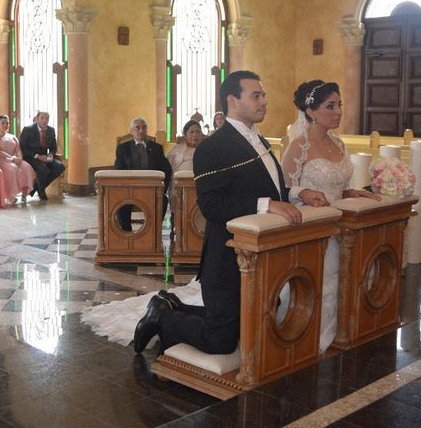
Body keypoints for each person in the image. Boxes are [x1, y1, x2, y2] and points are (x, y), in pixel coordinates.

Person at [130, 70, 328, 355]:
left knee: (248, 322)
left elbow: (272, 188)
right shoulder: (213, 147)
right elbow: (212, 205)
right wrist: (266, 205)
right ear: (232, 100)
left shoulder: (259, 140)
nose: (264, 101)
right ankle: (163, 316)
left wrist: (298, 193)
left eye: (264, 95)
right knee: (220, 341)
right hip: (226, 258)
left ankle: (172, 305)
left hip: (261, 252)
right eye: (256, 95)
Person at [281, 79, 380, 353]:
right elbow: (283, 189)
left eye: (339, 105)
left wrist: (353, 192)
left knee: (351, 279)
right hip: (314, 227)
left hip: (345, 225)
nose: (338, 111)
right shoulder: (298, 146)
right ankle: (309, 338)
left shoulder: (338, 143)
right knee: (323, 284)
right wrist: (305, 192)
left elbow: (337, 187)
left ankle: (345, 332)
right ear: (311, 111)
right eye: (330, 106)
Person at [114, 116, 172, 231]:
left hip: (152, 189)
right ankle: (127, 234)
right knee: (121, 202)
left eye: (144, 127)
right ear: (131, 131)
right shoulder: (123, 148)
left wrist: (162, 189)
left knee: (163, 200)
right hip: (129, 191)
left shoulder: (156, 148)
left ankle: (153, 232)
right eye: (138, 128)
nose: (141, 130)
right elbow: (119, 170)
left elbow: (167, 169)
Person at [19, 111, 65, 201]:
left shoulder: (51, 130)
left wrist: (51, 154)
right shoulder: (27, 129)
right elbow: (23, 148)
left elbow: (53, 147)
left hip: (45, 157)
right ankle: (41, 192)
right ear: (37, 118)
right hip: (31, 157)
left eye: (47, 118)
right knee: (43, 169)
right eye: (42, 118)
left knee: (60, 166)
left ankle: (36, 186)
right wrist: (38, 156)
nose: (45, 120)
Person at [0, 115, 35, 204]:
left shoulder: (13, 137)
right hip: (0, 161)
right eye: (3, 123)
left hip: (13, 160)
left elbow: (18, 150)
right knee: (12, 169)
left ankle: (24, 193)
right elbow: (0, 152)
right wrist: (12, 159)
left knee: (27, 167)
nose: (5, 125)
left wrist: (19, 159)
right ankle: (11, 195)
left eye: (7, 123)